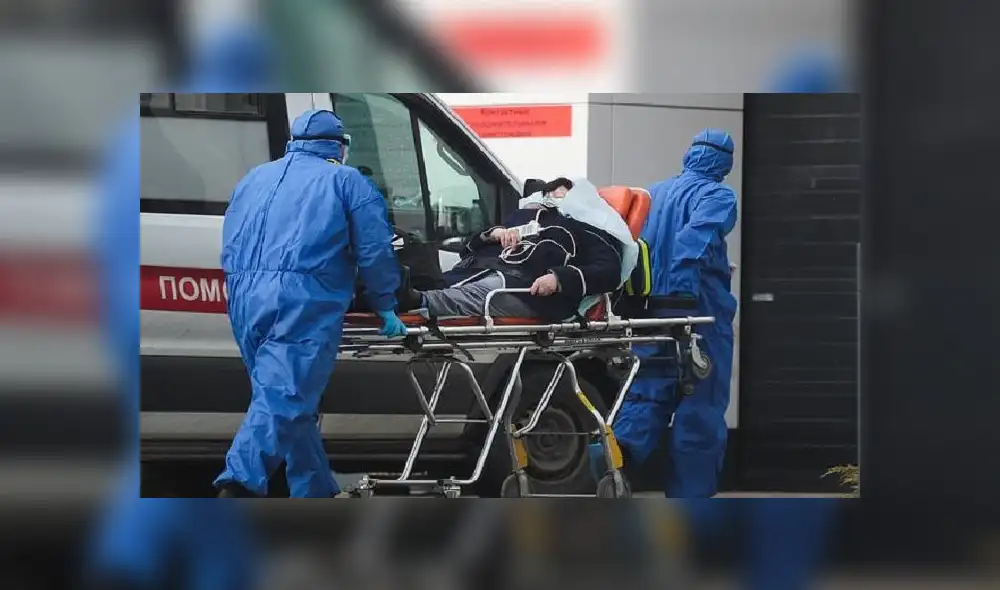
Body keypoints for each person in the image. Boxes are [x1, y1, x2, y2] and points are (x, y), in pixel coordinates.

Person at [214, 109, 408, 498]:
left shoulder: (254, 178)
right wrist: (384, 302)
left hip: (244, 299)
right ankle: (238, 483)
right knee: (284, 398)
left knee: (285, 401)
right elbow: (374, 248)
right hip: (301, 301)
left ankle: (315, 490)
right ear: (339, 145)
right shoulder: (346, 181)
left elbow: (232, 238)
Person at [592, 129, 739, 498]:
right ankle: (693, 500)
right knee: (700, 407)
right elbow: (694, 242)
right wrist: (683, 297)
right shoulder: (718, 195)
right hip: (697, 314)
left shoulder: (653, 193)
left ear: (690, 155)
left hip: (651, 312)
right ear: (724, 163)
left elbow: (638, 245)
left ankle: (613, 461)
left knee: (647, 394)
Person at [402, 178, 636, 322]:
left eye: (563, 194)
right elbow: (467, 249)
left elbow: (609, 270)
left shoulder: (589, 228)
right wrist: (492, 234)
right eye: (551, 194)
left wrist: (558, 279)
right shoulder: (526, 217)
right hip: (481, 270)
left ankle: (418, 301)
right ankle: (401, 292)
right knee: (442, 278)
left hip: (528, 287)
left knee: (481, 291)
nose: (554, 199)